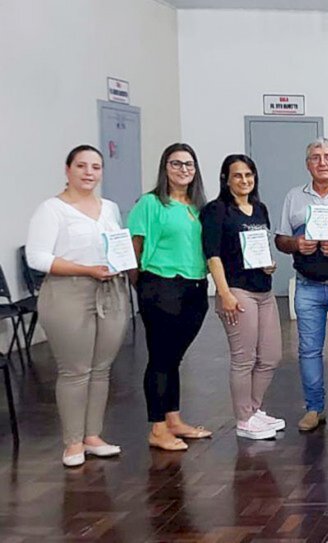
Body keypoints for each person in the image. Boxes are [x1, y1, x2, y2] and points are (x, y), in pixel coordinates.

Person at [26, 145, 131, 466]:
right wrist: (86, 270)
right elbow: (37, 257)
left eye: (96, 167)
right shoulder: (52, 209)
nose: (89, 173)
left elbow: (116, 246)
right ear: (68, 169)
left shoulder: (110, 208)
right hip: (68, 292)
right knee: (75, 371)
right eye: (82, 166)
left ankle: (92, 436)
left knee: (101, 369)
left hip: (110, 291)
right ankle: (72, 442)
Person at [128, 142, 211, 451]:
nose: (183, 170)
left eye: (188, 164)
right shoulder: (150, 204)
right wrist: (145, 287)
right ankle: (158, 427)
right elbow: (133, 250)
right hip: (160, 287)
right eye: (176, 164)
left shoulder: (197, 207)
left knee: (173, 359)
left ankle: (173, 419)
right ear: (165, 168)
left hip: (195, 288)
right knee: (160, 358)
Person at [274, 138, 328, 432]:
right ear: (307, 163)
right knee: (309, 350)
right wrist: (296, 243)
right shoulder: (294, 197)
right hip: (307, 286)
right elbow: (280, 239)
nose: (322, 162)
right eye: (315, 157)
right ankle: (314, 409)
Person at [200, 154, 283, 441]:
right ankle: (243, 418)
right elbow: (212, 255)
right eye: (238, 175)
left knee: (271, 356)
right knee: (243, 358)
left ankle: (254, 409)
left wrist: (269, 263)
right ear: (226, 179)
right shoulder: (216, 211)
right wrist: (223, 293)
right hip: (237, 290)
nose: (244, 180)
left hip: (264, 288)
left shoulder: (259, 208)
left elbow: (260, 247)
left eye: (249, 175)